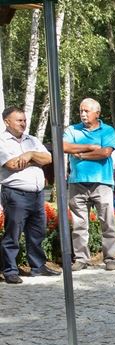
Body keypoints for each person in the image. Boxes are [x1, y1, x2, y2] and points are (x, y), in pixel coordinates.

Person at [0, 106, 55, 283]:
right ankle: (10, 270)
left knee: (37, 232)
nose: (23, 123)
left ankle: (38, 266)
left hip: (37, 194)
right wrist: (35, 161)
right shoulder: (2, 141)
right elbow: (11, 165)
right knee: (13, 234)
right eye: (19, 120)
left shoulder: (32, 140)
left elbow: (48, 159)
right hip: (15, 194)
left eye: (24, 120)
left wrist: (29, 154)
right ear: (7, 122)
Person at [64, 98, 115, 271]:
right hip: (77, 182)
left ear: (97, 113)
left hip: (102, 182)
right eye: (81, 110)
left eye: (86, 111)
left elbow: (105, 152)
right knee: (79, 224)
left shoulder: (107, 130)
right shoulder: (72, 129)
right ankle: (81, 259)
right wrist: (89, 147)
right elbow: (64, 147)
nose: (83, 114)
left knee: (107, 222)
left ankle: (110, 258)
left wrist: (80, 154)